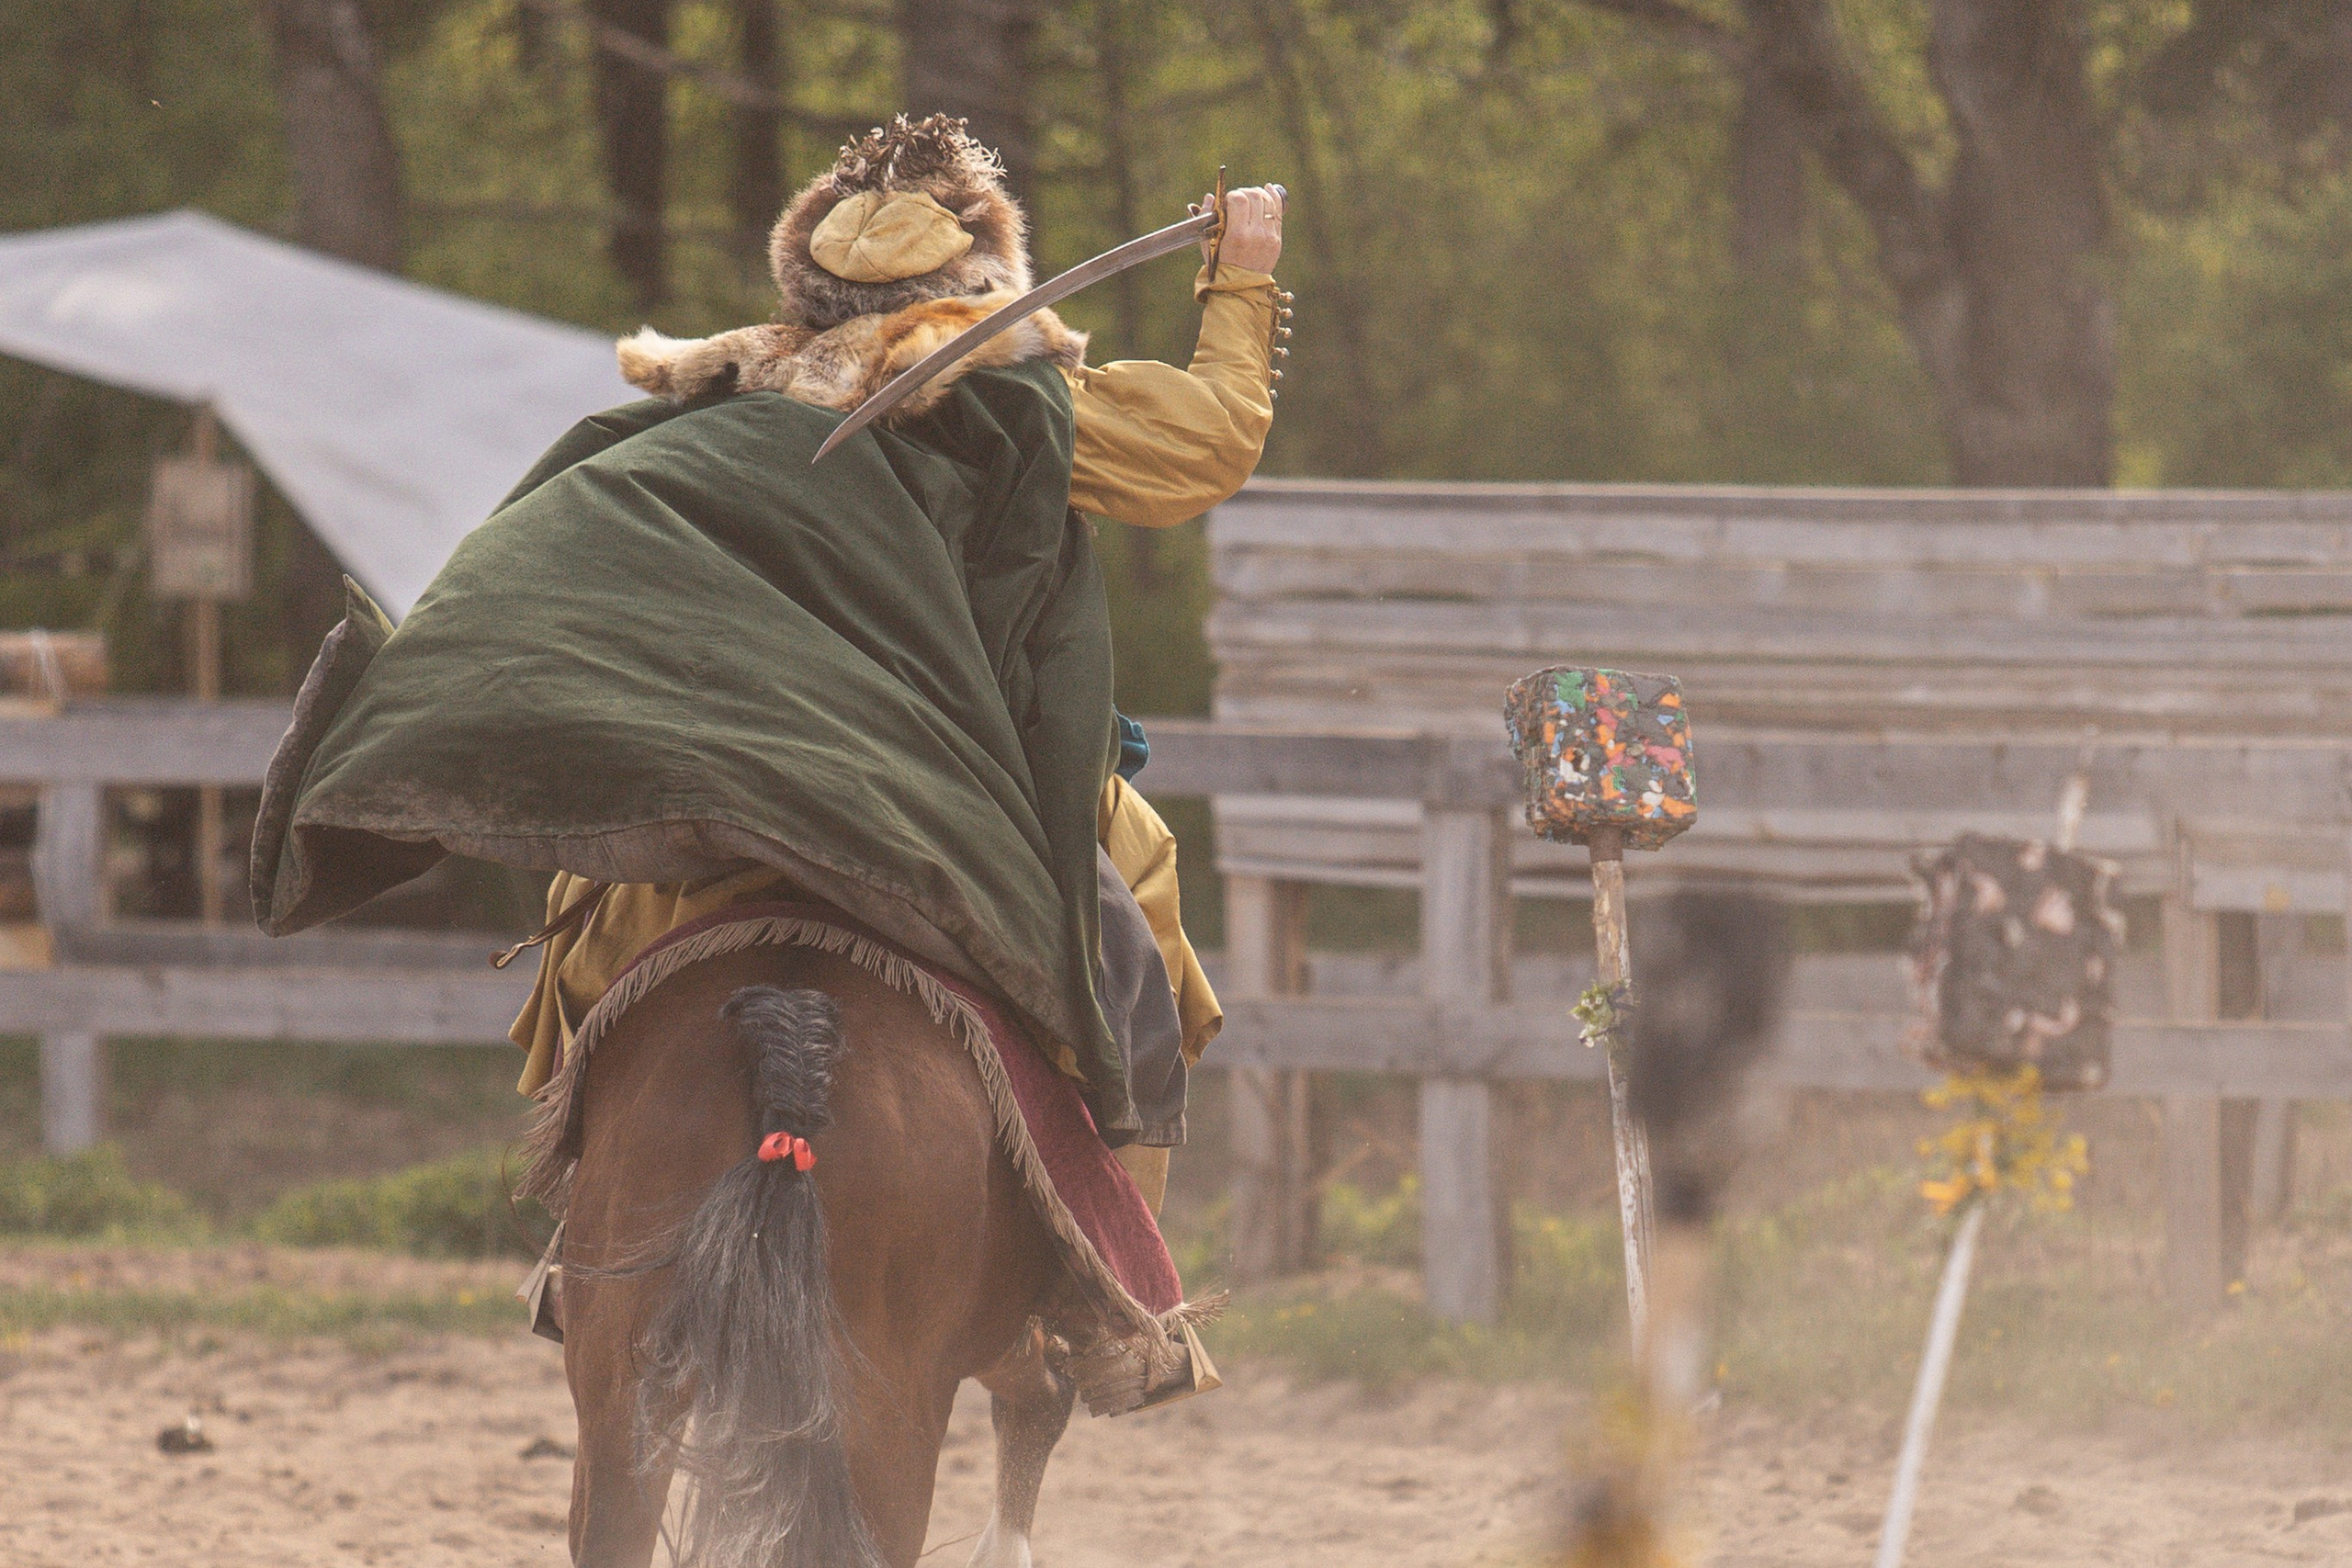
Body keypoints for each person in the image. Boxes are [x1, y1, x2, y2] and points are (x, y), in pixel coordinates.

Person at [508, 116, 1290, 1211]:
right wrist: (1241, 280)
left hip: (749, 761)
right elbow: (1205, 442)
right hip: (969, 777)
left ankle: (573, 1213)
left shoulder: (737, 390)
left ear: (806, 284)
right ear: (981, 271)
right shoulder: (1021, 398)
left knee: (590, 919)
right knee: (1132, 924)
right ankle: (1115, 1283)